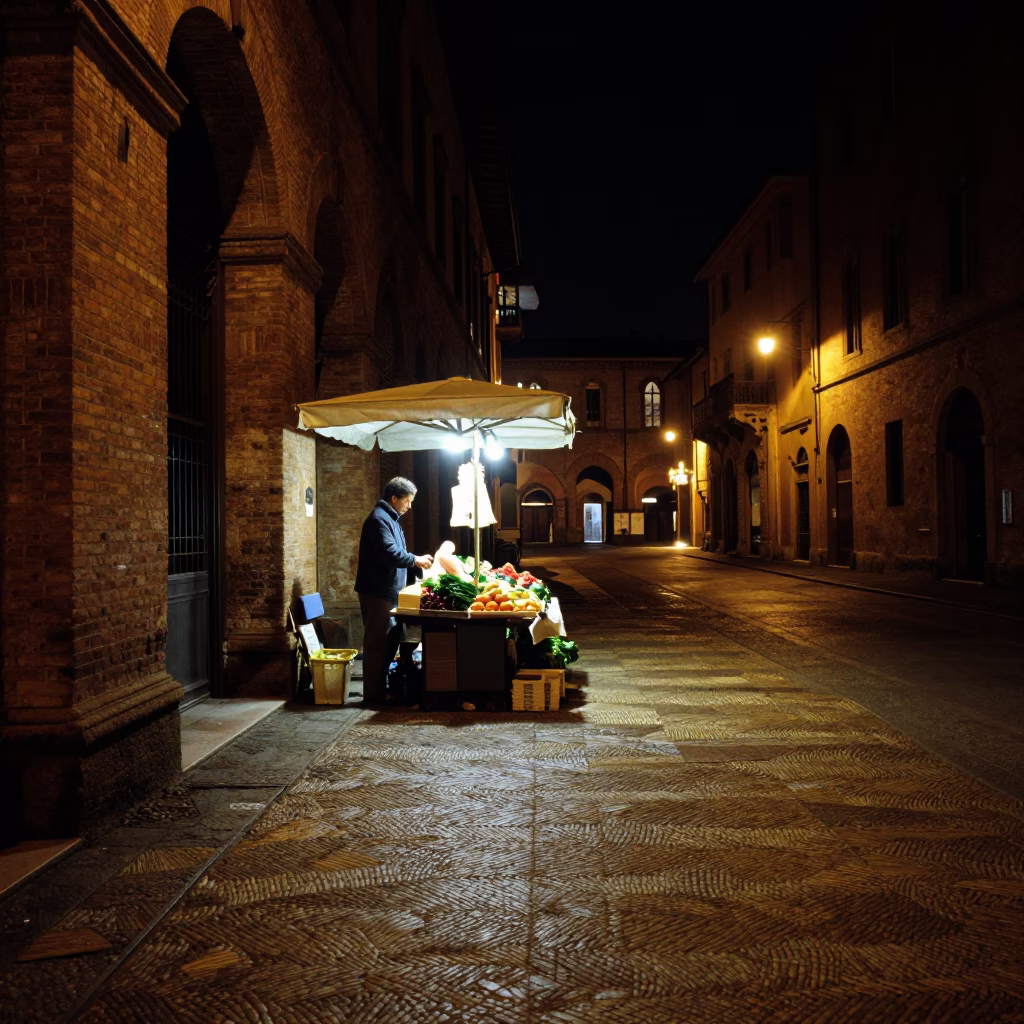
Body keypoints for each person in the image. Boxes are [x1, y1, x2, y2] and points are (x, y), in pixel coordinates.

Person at [355, 477, 433, 705]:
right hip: (378, 592)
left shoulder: (391, 519)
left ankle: (380, 690)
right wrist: (416, 560)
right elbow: (390, 553)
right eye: (407, 501)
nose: (409, 506)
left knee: (390, 641)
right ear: (394, 498)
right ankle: (372, 695)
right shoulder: (378, 520)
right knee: (377, 644)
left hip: (389, 590)